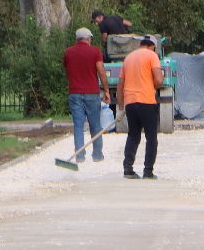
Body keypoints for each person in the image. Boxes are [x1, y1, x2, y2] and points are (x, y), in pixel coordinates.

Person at [117, 36, 165, 179]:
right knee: (151, 137)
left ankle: (128, 169)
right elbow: (158, 79)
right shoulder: (152, 56)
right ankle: (148, 171)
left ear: (140, 44)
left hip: (130, 103)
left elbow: (120, 85)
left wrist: (120, 108)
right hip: (147, 101)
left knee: (133, 135)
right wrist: (154, 86)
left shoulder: (128, 58)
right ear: (153, 46)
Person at [63, 27, 111, 162]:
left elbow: (68, 73)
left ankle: (79, 156)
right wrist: (106, 90)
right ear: (88, 38)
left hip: (74, 93)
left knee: (78, 125)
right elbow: (101, 72)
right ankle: (97, 155)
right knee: (95, 124)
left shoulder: (68, 52)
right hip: (92, 93)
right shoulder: (95, 51)